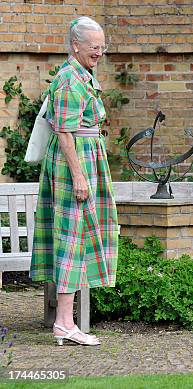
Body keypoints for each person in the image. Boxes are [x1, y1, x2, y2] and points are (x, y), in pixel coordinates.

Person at [29, 16, 118, 346]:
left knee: (77, 238)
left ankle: (66, 322)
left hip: (84, 159)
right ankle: (64, 324)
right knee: (71, 239)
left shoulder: (83, 75)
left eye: (102, 47)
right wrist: (79, 175)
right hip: (73, 166)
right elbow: (63, 130)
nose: (99, 52)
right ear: (75, 45)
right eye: (94, 47)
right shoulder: (70, 80)